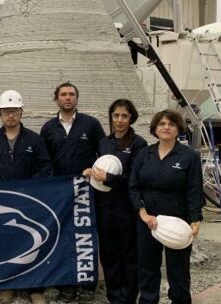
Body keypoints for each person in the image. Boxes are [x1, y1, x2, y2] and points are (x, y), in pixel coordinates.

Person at [0, 90, 52, 304]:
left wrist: (30, 188)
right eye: (6, 111)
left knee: (32, 243)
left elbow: (46, 168)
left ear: (21, 112)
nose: (11, 115)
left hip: (28, 202)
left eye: (15, 111)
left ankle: (35, 288)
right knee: (4, 245)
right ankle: (8, 286)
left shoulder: (34, 140)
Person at [128, 109, 203, 304]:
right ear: (155, 129)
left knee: (178, 269)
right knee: (147, 266)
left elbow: (194, 190)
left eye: (171, 124)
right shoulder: (144, 154)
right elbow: (133, 186)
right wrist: (143, 213)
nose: (166, 127)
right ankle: (148, 300)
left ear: (179, 129)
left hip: (178, 220)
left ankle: (179, 300)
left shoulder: (189, 156)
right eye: (162, 124)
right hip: (148, 220)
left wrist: (195, 219)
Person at [39, 82, 105, 303]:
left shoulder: (92, 124)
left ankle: (86, 285)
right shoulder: (48, 128)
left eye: (71, 94)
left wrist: (95, 171)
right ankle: (66, 285)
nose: (68, 98)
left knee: (85, 237)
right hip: (59, 193)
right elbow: (44, 161)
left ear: (77, 98)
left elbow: (104, 155)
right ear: (56, 98)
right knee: (62, 236)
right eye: (63, 94)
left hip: (86, 192)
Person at [83, 99, 147, 304]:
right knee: (109, 255)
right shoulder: (104, 142)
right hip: (105, 207)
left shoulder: (139, 144)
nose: (119, 120)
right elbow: (100, 169)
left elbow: (136, 179)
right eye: (116, 115)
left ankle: (128, 298)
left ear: (131, 118)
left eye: (124, 116)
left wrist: (109, 179)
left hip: (127, 208)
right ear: (110, 117)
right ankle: (113, 296)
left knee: (129, 255)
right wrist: (91, 173)